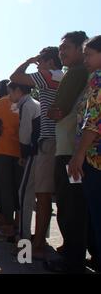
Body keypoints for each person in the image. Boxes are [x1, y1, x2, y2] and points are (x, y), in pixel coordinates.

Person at [10, 46, 64, 258]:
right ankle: (40, 240)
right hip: (57, 141)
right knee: (45, 195)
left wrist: (27, 60)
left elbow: (15, 76)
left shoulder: (50, 75)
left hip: (48, 142)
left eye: (41, 60)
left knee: (34, 194)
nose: (38, 64)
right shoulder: (62, 76)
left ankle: (32, 244)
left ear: (49, 61)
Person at [44, 31, 91, 273]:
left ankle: (73, 261)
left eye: (66, 48)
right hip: (74, 149)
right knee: (78, 205)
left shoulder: (76, 72)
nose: (62, 52)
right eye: (61, 48)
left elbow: (57, 111)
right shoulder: (85, 72)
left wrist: (54, 111)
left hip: (69, 152)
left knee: (69, 205)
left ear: (80, 49)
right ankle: (76, 253)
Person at [68, 35, 101, 271]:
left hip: (94, 159)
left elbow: (94, 121)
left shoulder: (98, 79)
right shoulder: (93, 78)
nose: (86, 59)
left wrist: (78, 155)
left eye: (89, 54)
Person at [0, 80, 23, 239]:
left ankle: (7, 225)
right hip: (21, 151)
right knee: (18, 188)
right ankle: (18, 222)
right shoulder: (21, 103)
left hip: (1, 151)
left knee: (5, 189)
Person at [7, 82, 40, 243]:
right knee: (41, 196)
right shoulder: (36, 103)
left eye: (11, 93)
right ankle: (40, 237)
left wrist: (23, 154)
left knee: (24, 195)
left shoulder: (27, 105)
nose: (10, 97)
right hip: (42, 152)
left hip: (34, 153)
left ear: (18, 91)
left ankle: (23, 237)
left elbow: (25, 134)